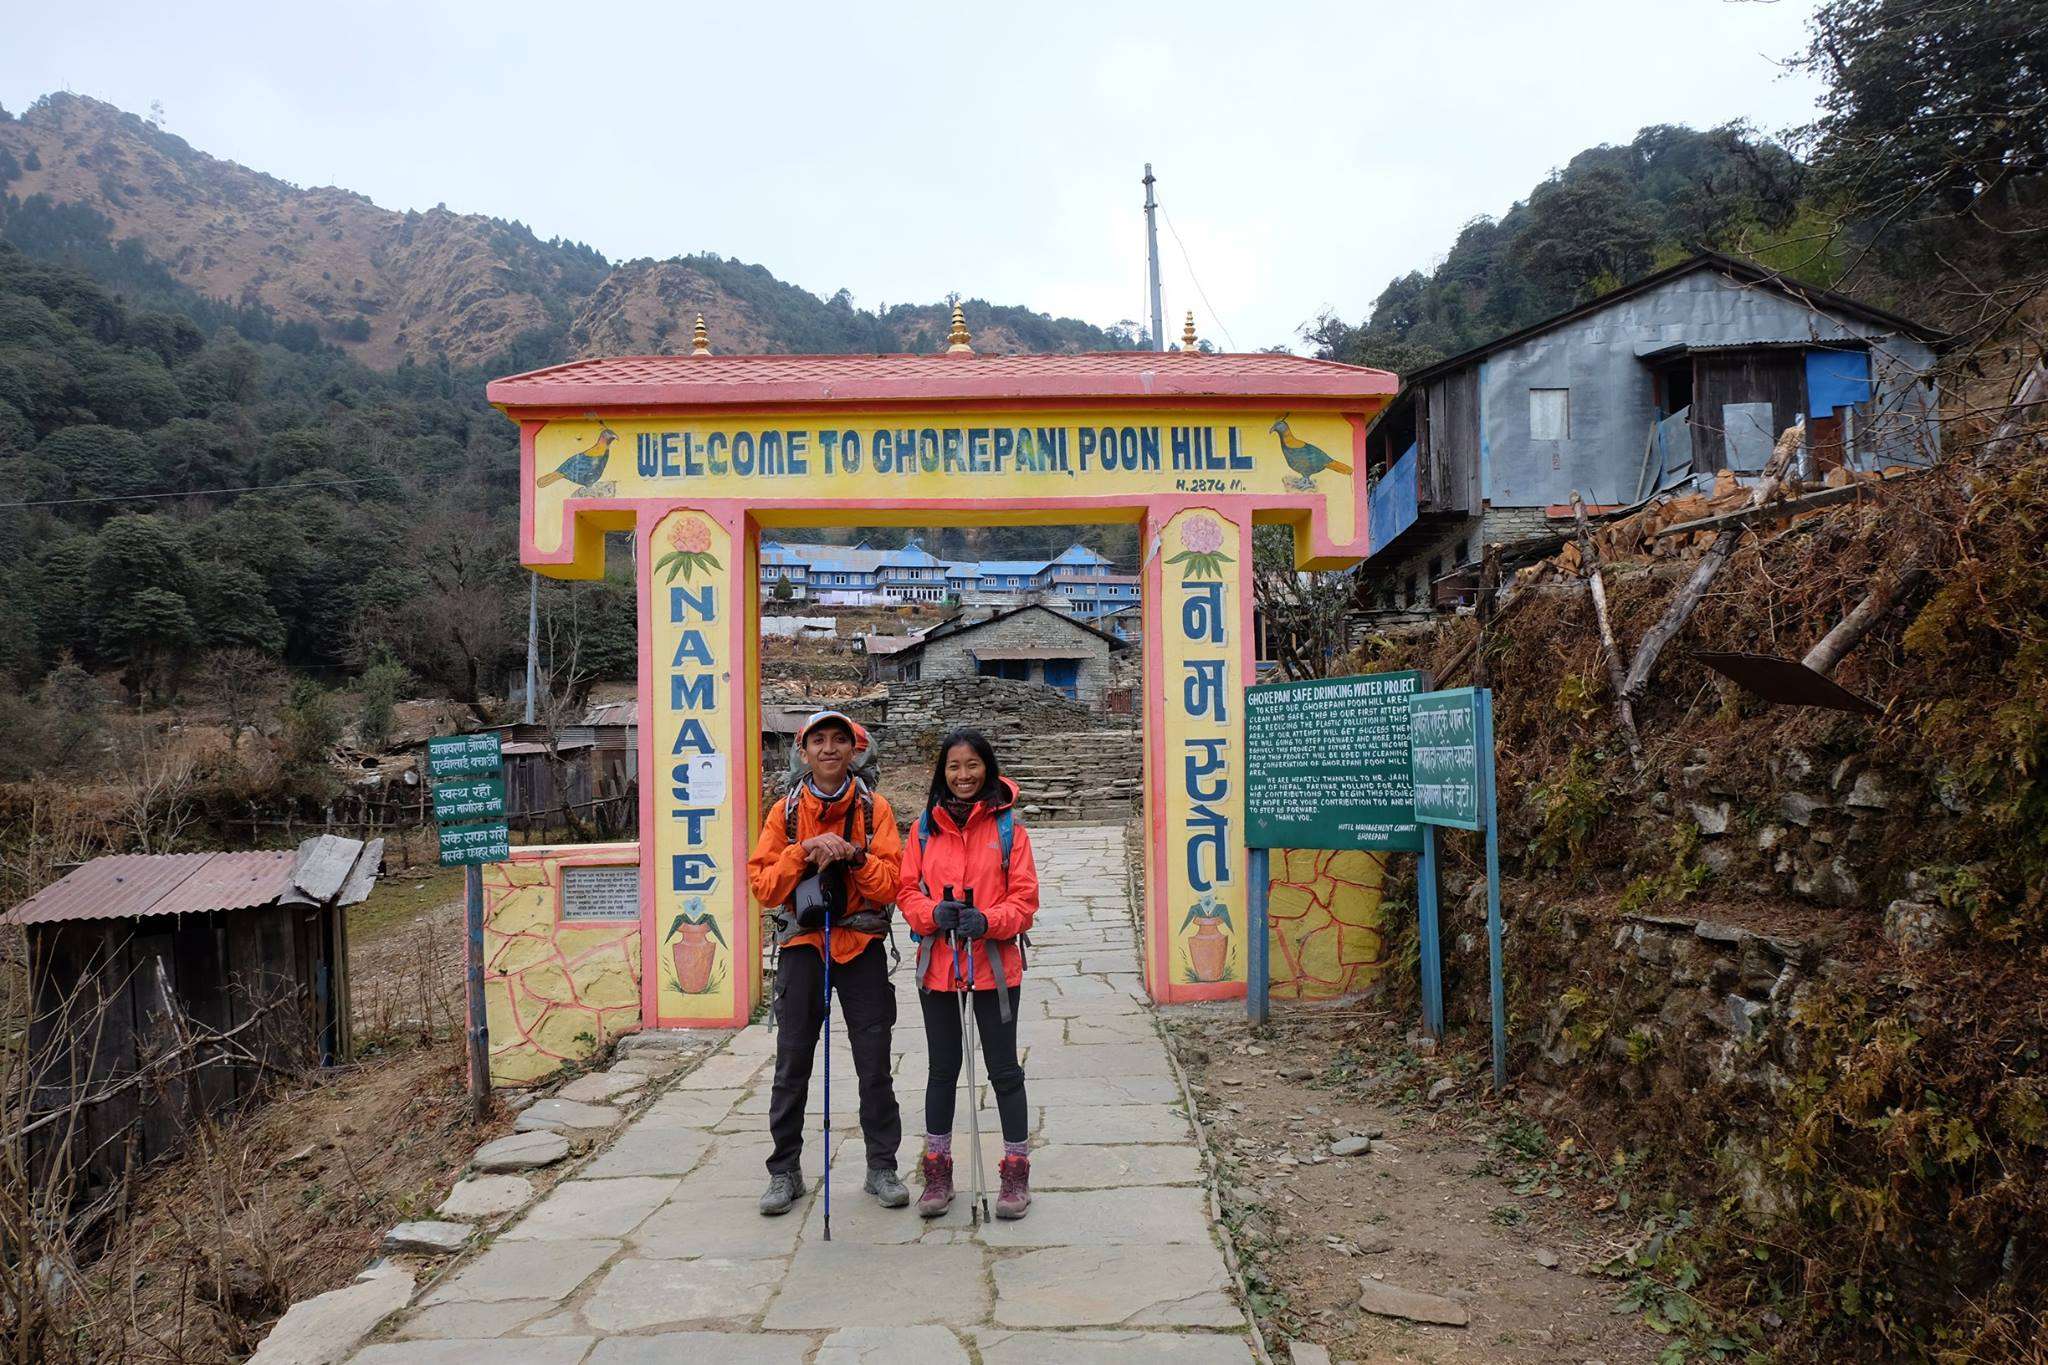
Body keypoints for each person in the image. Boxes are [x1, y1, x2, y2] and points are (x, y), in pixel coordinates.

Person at [746, 710, 908, 1216]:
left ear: (854, 751)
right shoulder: (785, 813)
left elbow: (892, 885)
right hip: (803, 946)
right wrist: (803, 850)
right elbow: (763, 886)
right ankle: (784, 1170)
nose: (830, 749)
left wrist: (855, 856)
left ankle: (882, 1166)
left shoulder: (873, 808)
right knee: (792, 1062)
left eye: (841, 740)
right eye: (820, 741)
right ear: (804, 750)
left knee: (874, 1062)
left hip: (859, 945)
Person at [897, 728, 1040, 1220]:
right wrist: (932, 914)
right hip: (939, 967)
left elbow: (1024, 900)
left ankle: (1016, 1170)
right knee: (942, 1069)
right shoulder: (922, 830)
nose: (963, 775)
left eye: (972, 765)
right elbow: (906, 890)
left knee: (1003, 1070)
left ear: (988, 768)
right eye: (954, 767)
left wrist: (990, 920)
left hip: (994, 966)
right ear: (943, 772)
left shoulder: (1009, 832)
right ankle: (937, 1169)